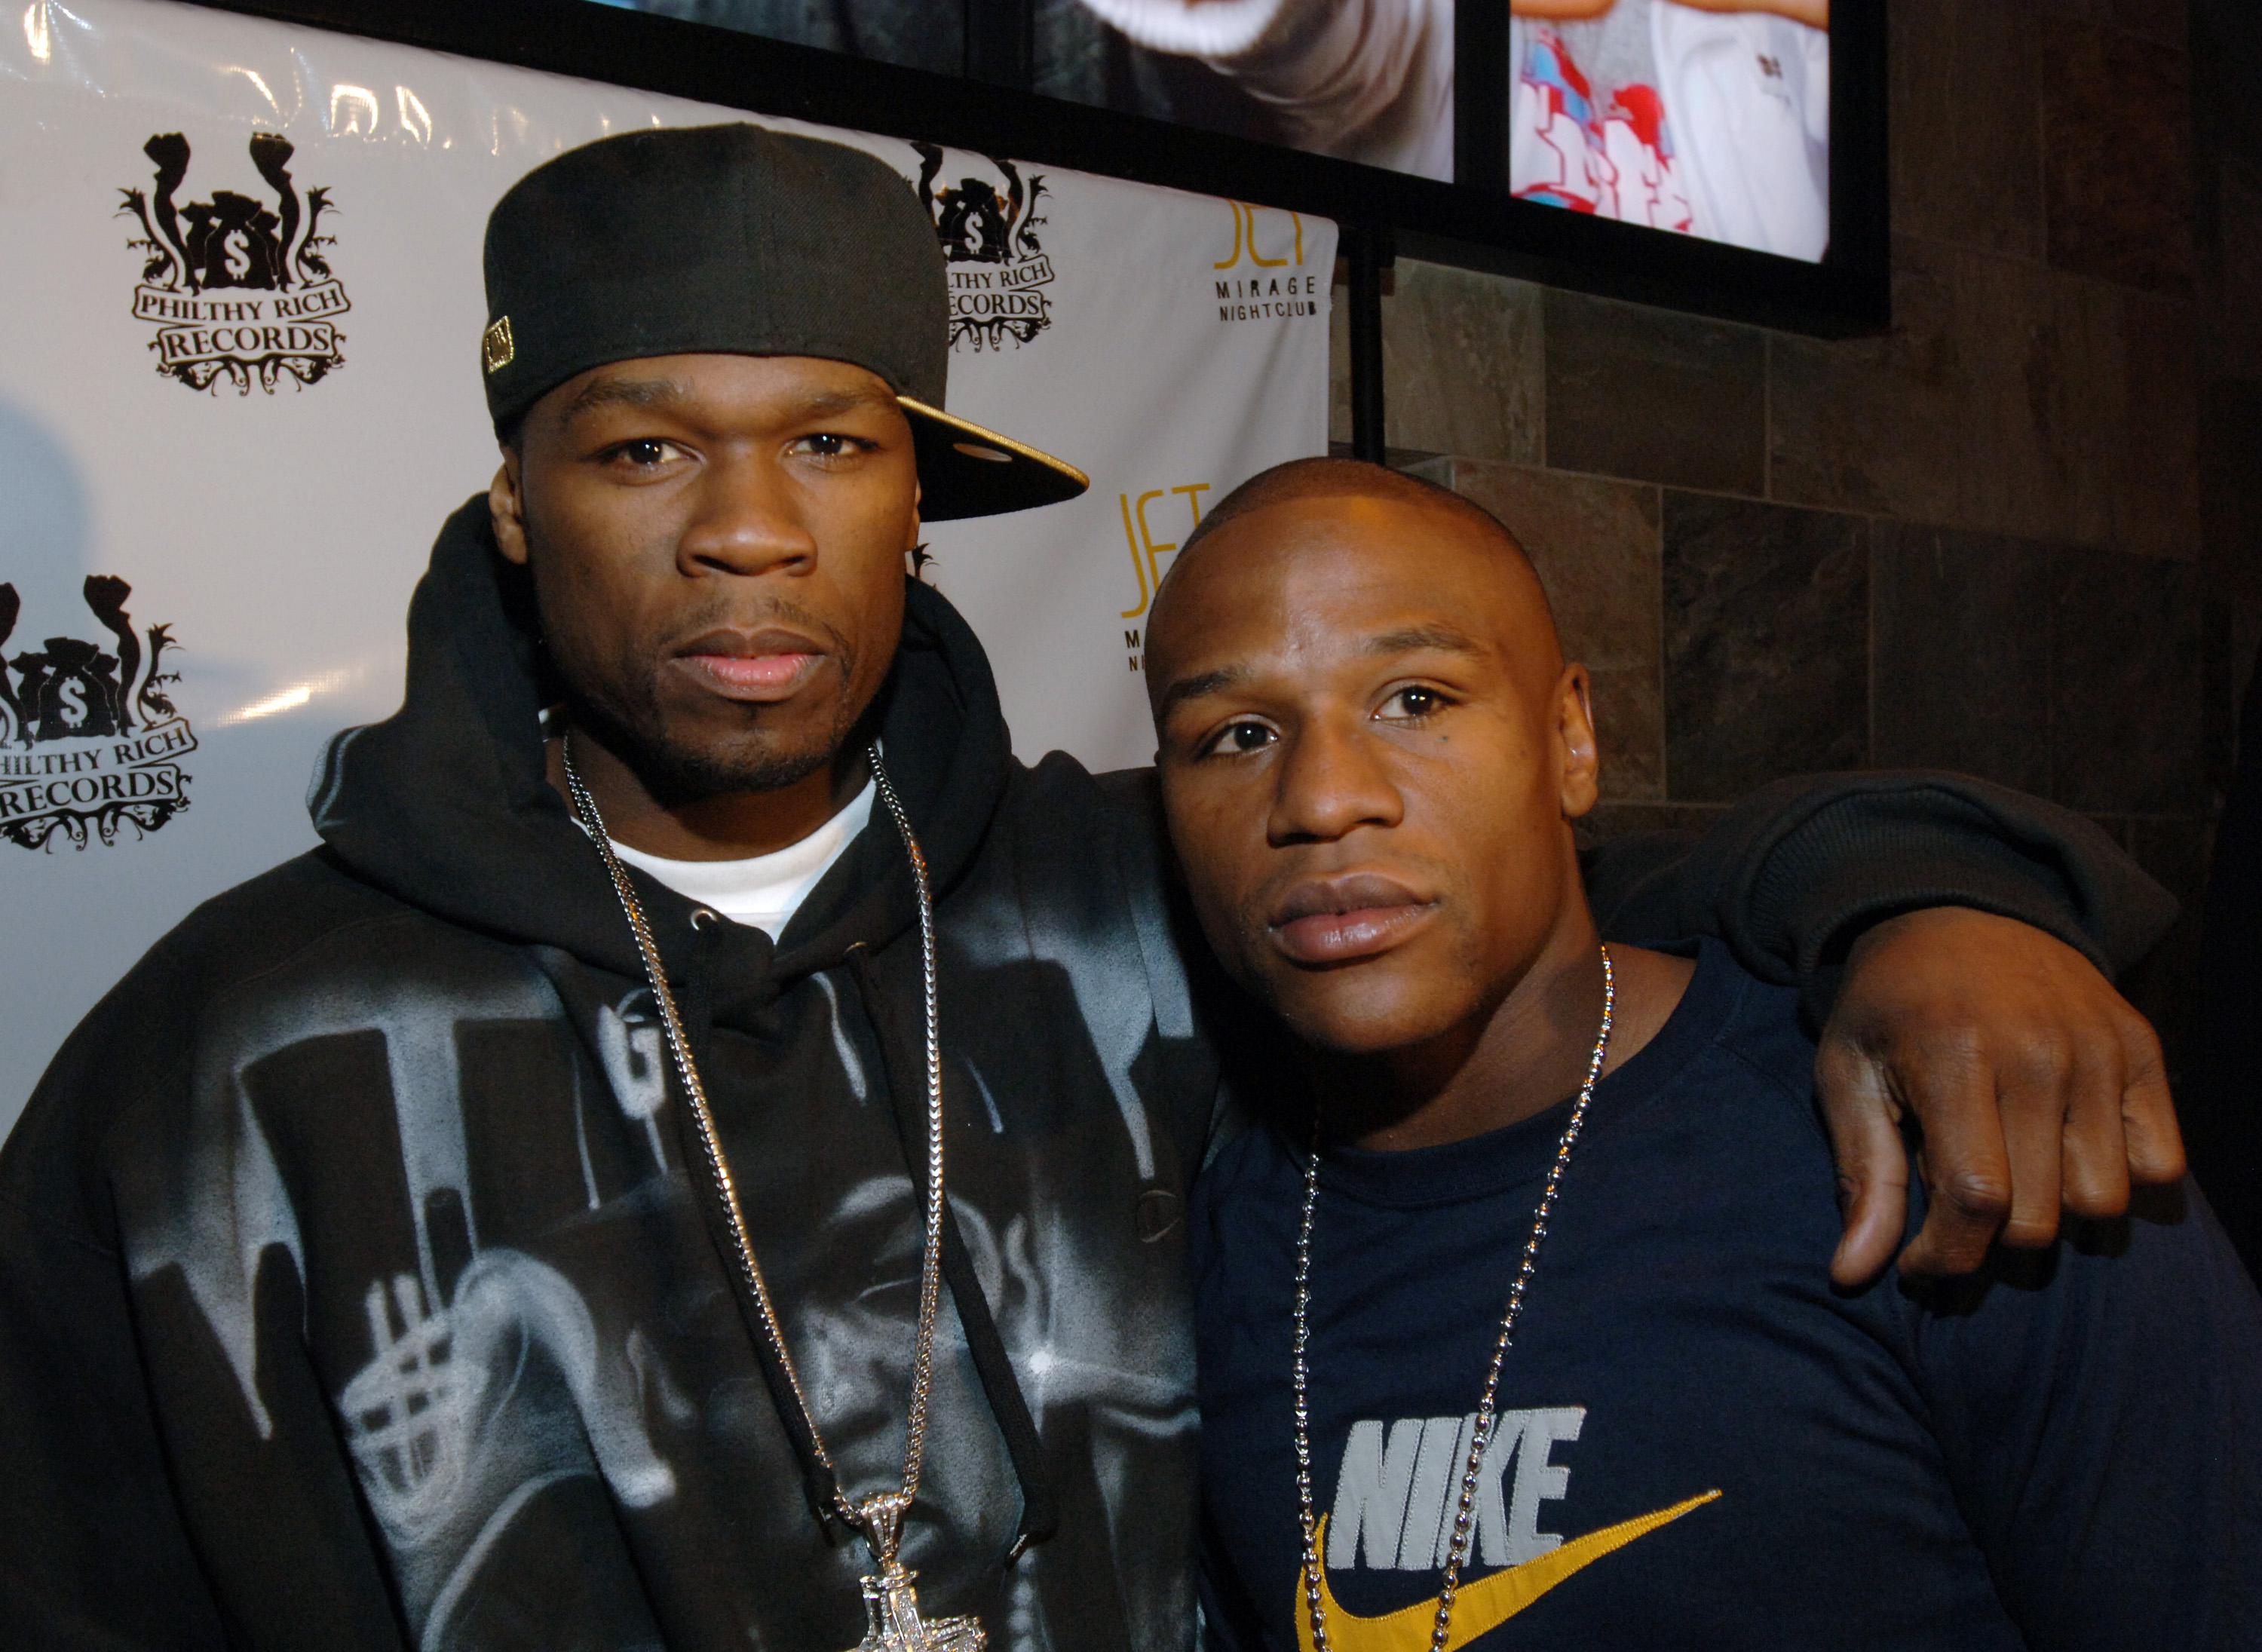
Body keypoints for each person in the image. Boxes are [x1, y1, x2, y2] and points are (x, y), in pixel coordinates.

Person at [0, 125, 2187, 1652]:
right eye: (647, 447)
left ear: (919, 506)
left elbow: (1545, 884)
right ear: (515, 506)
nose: (749, 531)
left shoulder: (1140, 892)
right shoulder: (219, 1069)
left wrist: (1932, 904)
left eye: (836, 446)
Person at [1148, 459, 2261, 1650]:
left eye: (1416, 700)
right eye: (1239, 733)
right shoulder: (1202, 1249)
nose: (1322, 798)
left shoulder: (1946, 1125)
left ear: (1571, 738)